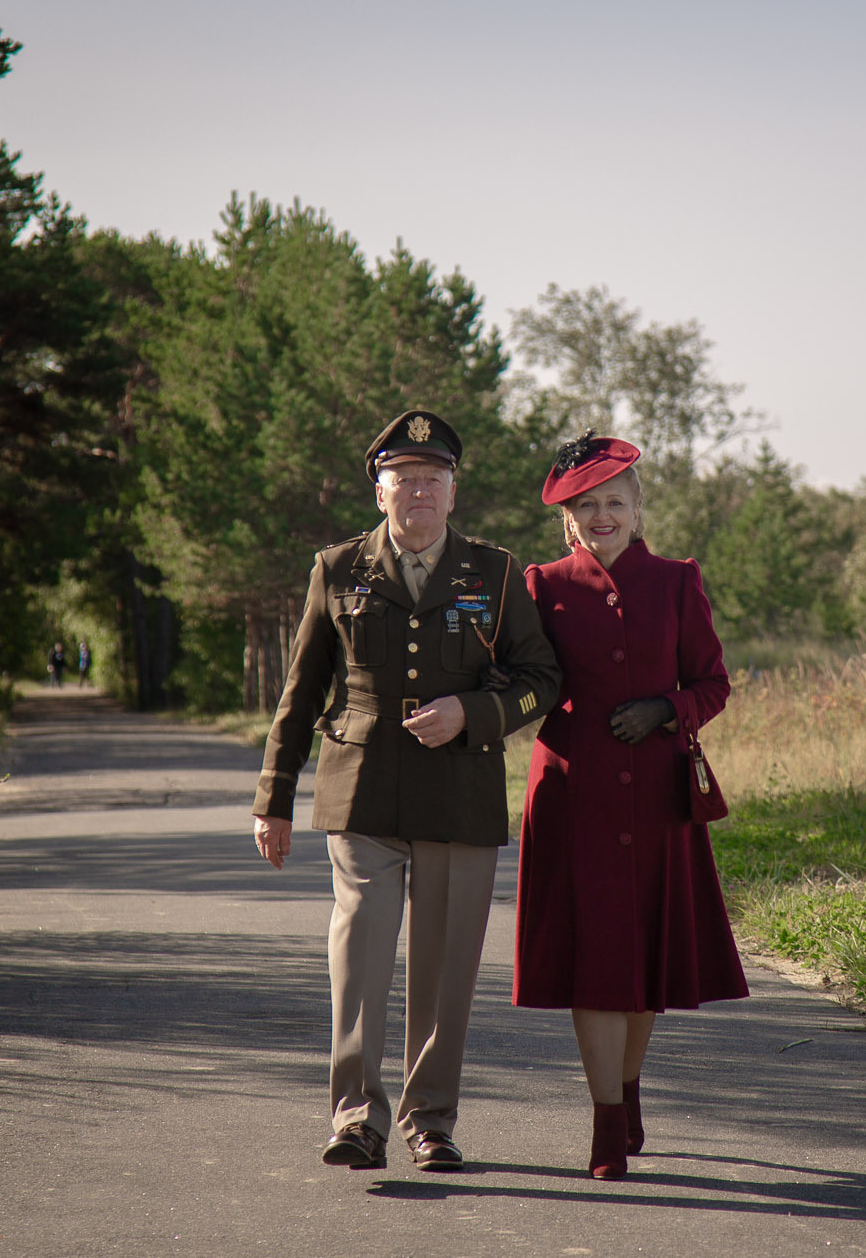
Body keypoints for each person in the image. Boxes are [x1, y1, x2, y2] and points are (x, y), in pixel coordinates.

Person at [251, 409, 560, 1173]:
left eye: (434, 479)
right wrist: (273, 796)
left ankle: (430, 1120)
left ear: (453, 493)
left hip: (460, 794)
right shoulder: (339, 569)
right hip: (362, 793)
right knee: (359, 954)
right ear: (379, 490)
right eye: (404, 479)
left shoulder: (492, 574)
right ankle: (357, 1117)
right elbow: (301, 691)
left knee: (446, 966)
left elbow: (543, 680)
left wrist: (471, 712)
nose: (419, 491)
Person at [514, 431, 748, 1180]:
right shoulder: (542, 585)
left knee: (644, 956)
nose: (603, 514)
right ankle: (606, 1121)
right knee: (596, 961)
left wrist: (667, 708)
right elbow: (522, 679)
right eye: (588, 505)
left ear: (638, 509)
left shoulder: (678, 581)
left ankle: (629, 1085)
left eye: (615, 501)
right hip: (572, 797)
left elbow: (714, 682)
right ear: (570, 520)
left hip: (657, 797)